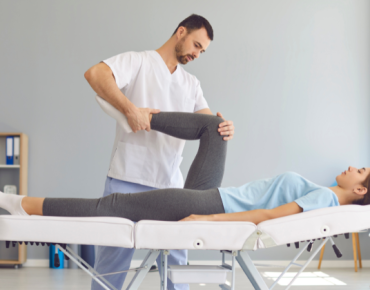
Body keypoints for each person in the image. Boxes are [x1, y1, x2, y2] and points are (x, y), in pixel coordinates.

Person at [1, 112, 370, 226]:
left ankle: (25, 205)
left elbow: (266, 215)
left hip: (213, 207)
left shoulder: (324, 197)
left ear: (360, 191)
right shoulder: (324, 197)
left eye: (361, 171)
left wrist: (206, 220)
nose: (353, 167)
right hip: (215, 196)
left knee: (113, 206)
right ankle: (142, 114)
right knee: (216, 126)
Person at [83, 14, 235, 290]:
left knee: (178, 267)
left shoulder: (191, 85)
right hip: (127, 178)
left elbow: (205, 123)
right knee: (111, 267)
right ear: (181, 32)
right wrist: (131, 109)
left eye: (203, 51)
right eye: (197, 45)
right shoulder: (138, 61)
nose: (198, 54)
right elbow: (95, 74)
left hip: (170, 186)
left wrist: (221, 127)